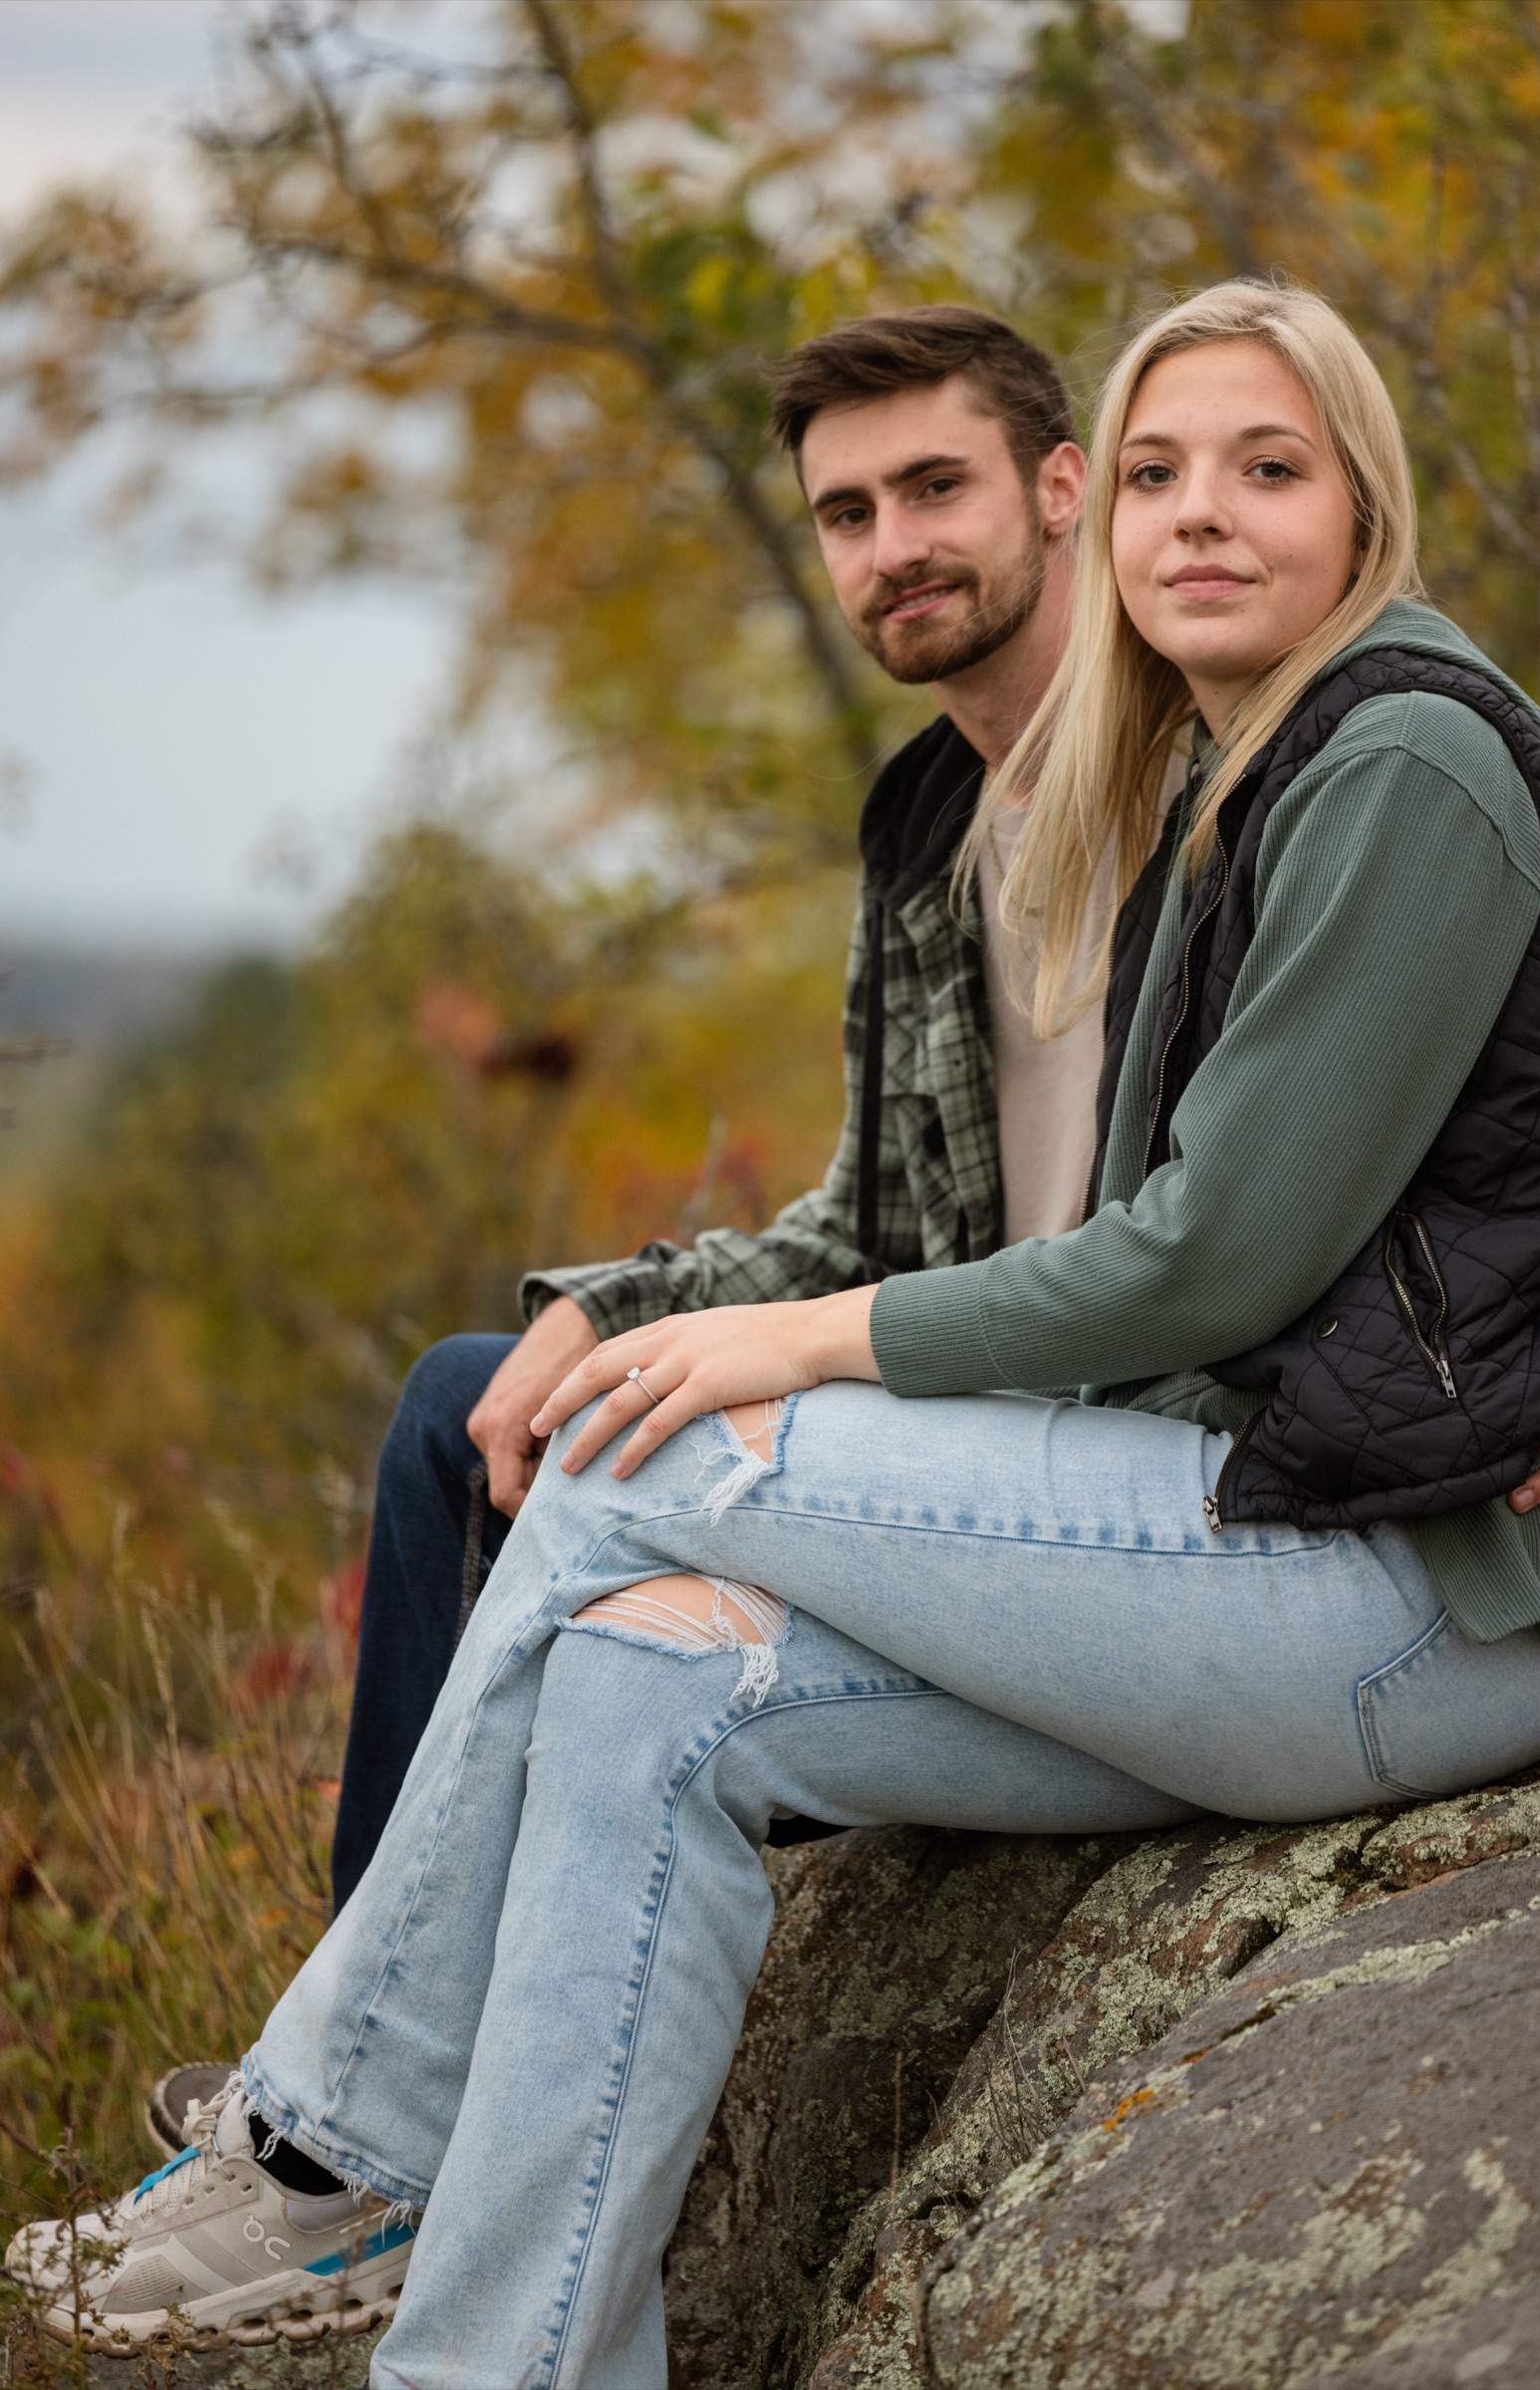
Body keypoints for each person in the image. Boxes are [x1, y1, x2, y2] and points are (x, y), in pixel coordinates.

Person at [22, 279, 1540, 2380]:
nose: (1198, 514)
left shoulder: (1400, 747)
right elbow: (912, 1208)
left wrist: (798, 1343)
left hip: (1414, 1589)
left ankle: (338, 2136)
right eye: (1161, 472)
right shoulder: (1225, 768)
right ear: (1105, 515)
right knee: (632, 1675)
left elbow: (1209, 1258)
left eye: (1265, 467)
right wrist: (728, 1311)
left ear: (1364, 507)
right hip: (1241, 1550)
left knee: (645, 1448)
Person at [144, 301, 1100, 2157]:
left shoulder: (1223, 766)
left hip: (1080, 1451)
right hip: (950, 1384)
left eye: (935, 487)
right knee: (472, 1402)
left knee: (610, 1498)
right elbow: (869, 1217)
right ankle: (358, 2103)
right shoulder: (927, 819)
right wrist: (621, 1302)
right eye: (846, 513)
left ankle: (352, 2135)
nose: (892, 546)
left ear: (1059, 492)